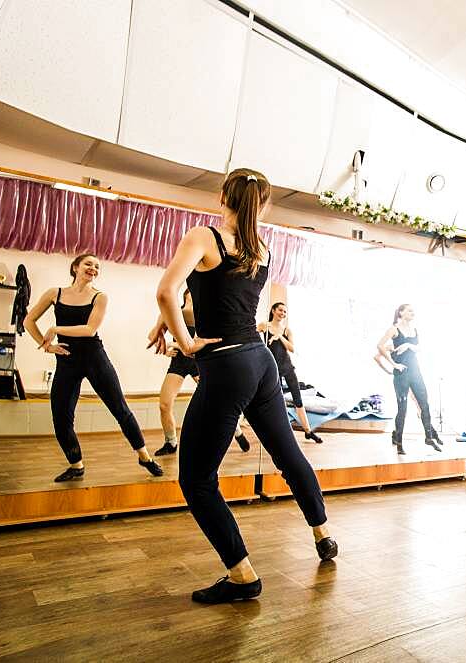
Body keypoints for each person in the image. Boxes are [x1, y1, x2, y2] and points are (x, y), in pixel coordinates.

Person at [153, 168, 337, 604]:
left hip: (227, 366)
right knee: (288, 454)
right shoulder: (263, 250)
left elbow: (166, 291)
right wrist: (168, 322)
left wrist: (184, 341)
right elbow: (221, 300)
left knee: (196, 479)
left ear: (223, 196)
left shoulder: (203, 236)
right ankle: (323, 534)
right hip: (261, 362)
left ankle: (242, 577)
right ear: (265, 205)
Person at [24, 254, 164, 482]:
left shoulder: (100, 297)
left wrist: (56, 329)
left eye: (97, 266)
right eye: (88, 264)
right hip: (67, 361)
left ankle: (144, 456)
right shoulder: (55, 294)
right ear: (76, 267)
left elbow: (89, 329)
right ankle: (76, 465)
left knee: (120, 409)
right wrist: (47, 346)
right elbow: (28, 321)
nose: (93, 268)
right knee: (60, 418)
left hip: (94, 359)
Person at [148, 289, 250, 456]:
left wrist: (175, 345)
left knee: (218, 402)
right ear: (186, 294)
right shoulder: (173, 313)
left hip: (199, 363)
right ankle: (171, 442)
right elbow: (152, 335)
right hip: (179, 363)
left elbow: (208, 342)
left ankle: (236, 431)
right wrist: (166, 348)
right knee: (164, 404)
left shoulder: (206, 315)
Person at [375, 304, 444, 455]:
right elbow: (379, 346)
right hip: (402, 374)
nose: (413, 313)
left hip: (416, 372)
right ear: (401, 313)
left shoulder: (414, 330)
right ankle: (399, 442)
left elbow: (418, 348)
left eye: (413, 311)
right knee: (403, 409)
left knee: (424, 404)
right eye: (409, 310)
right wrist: (393, 365)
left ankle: (429, 437)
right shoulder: (394, 329)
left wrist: (407, 345)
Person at [257, 302, 322, 444]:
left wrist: (279, 336)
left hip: (287, 367)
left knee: (298, 400)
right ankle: (279, 433)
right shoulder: (264, 325)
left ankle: (308, 432)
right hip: (273, 370)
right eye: (280, 310)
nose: (283, 313)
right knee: (277, 402)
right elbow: (253, 338)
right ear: (273, 310)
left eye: (285, 312)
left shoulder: (286, 330)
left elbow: (292, 349)